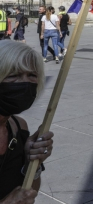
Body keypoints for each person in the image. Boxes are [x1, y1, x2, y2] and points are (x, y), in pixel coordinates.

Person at [0, 41, 54, 203]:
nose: (24, 83)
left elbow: (30, 191)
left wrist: (33, 165)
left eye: (31, 75)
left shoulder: (19, 127)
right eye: (13, 75)